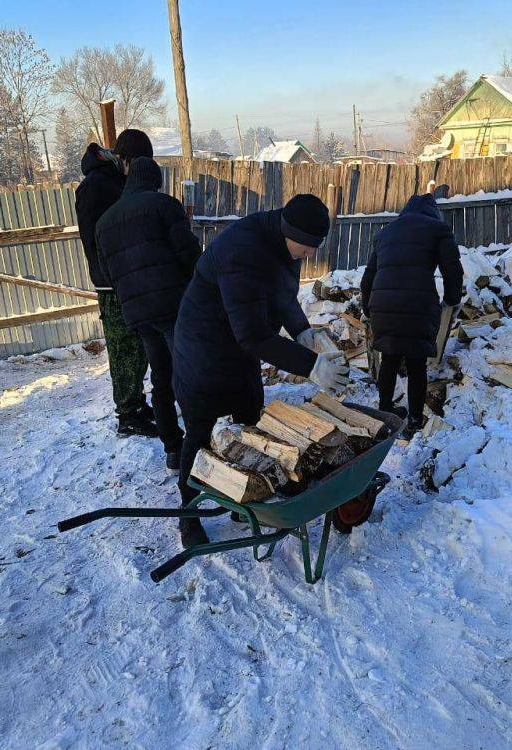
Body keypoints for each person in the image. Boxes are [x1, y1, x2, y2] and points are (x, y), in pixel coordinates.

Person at [171, 194, 348, 548]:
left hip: (240, 346)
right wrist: (310, 366)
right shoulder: (243, 251)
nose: (310, 255)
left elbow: (282, 297)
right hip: (203, 347)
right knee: (200, 432)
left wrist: (302, 330)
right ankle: (188, 515)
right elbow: (253, 334)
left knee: (251, 420)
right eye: (307, 246)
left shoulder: (286, 244)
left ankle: (243, 496)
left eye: (316, 247)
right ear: (288, 231)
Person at [95, 155, 201, 472]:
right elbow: (190, 254)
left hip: (139, 313)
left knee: (161, 378)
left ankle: (173, 447)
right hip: (173, 306)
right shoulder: (165, 206)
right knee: (188, 375)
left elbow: (107, 273)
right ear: (156, 180)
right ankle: (200, 447)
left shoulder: (105, 222)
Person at [360, 193, 463, 439]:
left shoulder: (385, 232)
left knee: (389, 358)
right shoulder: (438, 229)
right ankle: (415, 420)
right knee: (416, 364)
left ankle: (385, 410)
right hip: (418, 303)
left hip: (383, 303)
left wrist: (368, 307)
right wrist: (452, 299)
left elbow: (369, 275)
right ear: (432, 212)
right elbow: (452, 270)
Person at [75, 129, 157, 438]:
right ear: (124, 159)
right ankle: (127, 415)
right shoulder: (94, 187)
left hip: (130, 277)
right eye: (136, 163)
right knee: (123, 348)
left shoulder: (115, 182)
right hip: (113, 283)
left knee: (137, 346)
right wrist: (112, 277)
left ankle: (136, 402)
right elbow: (96, 240)